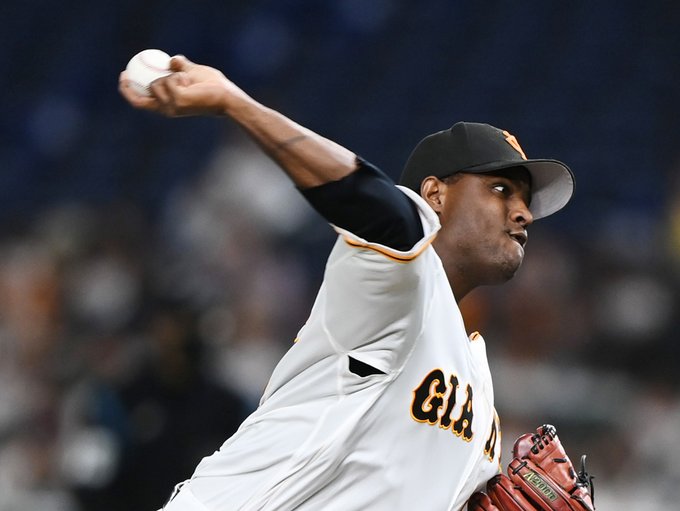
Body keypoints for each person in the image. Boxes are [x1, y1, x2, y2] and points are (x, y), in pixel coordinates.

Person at [118, 55, 574, 511]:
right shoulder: (401, 282)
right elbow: (373, 205)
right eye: (501, 189)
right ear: (434, 194)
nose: (523, 213)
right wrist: (235, 103)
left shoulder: (480, 391)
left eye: (526, 200)